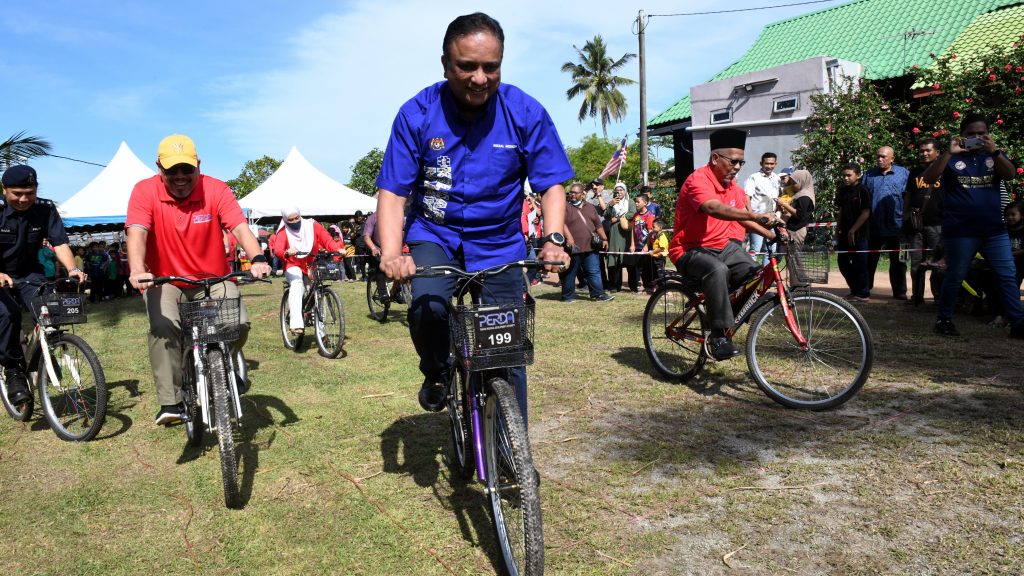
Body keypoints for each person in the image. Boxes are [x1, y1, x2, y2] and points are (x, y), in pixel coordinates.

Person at [374, 12, 572, 423]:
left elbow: (551, 184)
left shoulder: (525, 112)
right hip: (435, 234)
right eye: (467, 66)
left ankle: (510, 445)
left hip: (499, 241)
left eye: (490, 67)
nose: (480, 78)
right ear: (446, 65)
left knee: (507, 349)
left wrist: (553, 239)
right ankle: (436, 370)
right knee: (428, 308)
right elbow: (393, 192)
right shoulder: (416, 114)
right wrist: (392, 252)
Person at [126, 134, 271, 425]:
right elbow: (137, 231)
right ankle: (171, 401)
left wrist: (257, 258)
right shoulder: (144, 191)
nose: (180, 176)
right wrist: (138, 269)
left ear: (198, 165)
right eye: (172, 170)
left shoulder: (216, 189)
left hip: (213, 279)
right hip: (165, 280)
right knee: (163, 326)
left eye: (186, 169)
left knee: (238, 323)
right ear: (159, 167)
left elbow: (239, 227)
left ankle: (222, 366)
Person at [667, 128, 778, 361]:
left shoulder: (733, 187)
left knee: (755, 273)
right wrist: (756, 215)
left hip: (722, 247)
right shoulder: (698, 180)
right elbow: (713, 208)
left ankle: (726, 316)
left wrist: (772, 235)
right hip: (688, 249)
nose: (737, 167)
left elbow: (744, 219)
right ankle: (718, 336)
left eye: (741, 162)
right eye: (733, 161)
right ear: (715, 158)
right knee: (717, 270)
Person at [921, 114, 1024, 338]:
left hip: (994, 230)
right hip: (961, 230)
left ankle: (1018, 323)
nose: (977, 137)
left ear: (988, 134)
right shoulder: (951, 157)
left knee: (1007, 275)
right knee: (955, 275)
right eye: (971, 134)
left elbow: (1010, 174)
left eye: (981, 133)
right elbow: (928, 179)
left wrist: (995, 152)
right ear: (962, 135)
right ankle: (944, 320)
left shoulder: (993, 155)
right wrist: (949, 153)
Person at [0, 165, 86, 407]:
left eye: (29, 193)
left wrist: (73, 269)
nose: (23, 199)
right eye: (17, 193)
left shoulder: (45, 209)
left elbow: (59, 243)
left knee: (51, 309)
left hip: (29, 274)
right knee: (8, 314)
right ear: (5, 190)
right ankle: (12, 371)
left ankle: (44, 352)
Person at [272, 206, 343, 336]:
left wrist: (337, 249)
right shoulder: (283, 231)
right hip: (292, 264)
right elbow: (278, 249)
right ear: (285, 220)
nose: (294, 221)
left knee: (317, 293)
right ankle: (296, 324)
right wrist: (286, 252)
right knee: (297, 283)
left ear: (300, 215)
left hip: (311, 264)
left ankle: (321, 334)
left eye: (296, 218)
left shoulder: (311, 225)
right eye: (290, 220)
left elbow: (327, 239)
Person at [863, 146, 910, 300]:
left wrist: (906, 220)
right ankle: (865, 289)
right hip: (873, 226)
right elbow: (863, 198)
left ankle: (900, 291)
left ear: (892, 159)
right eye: (878, 156)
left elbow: (909, 197)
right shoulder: (869, 174)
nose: (879, 159)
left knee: (899, 261)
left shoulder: (903, 174)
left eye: (883, 156)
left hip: (897, 226)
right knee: (869, 260)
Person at [903, 138, 946, 306]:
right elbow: (908, 195)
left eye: (928, 150)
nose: (924, 153)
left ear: (938, 153)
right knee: (916, 263)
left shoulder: (945, 171)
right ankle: (917, 297)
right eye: (921, 151)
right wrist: (905, 215)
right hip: (917, 225)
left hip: (938, 225)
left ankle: (938, 297)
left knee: (937, 263)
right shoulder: (914, 172)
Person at [561, 183, 612, 302]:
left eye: (575, 193)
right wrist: (569, 238)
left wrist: (604, 238)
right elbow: (562, 224)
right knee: (570, 272)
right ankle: (568, 296)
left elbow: (598, 224)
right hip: (574, 246)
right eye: (571, 192)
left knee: (594, 271)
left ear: (582, 194)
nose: (572, 195)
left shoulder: (590, 207)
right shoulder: (565, 207)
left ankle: (598, 294)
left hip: (590, 246)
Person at [834, 162, 872, 301]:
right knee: (842, 263)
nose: (846, 178)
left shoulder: (863, 191)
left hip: (860, 234)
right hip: (845, 234)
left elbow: (866, 212)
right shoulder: (842, 190)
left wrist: (853, 230)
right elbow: (841, 212)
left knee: (860, 264)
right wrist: (837, 232)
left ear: (858, 175)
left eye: (849, 175)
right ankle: (855, 290)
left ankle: (863, 293)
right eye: (844, 175)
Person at [743, 153, 781, 263]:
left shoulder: (777, 178)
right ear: (761, 163)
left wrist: (777, 215)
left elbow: (778, 198)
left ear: (775, 164)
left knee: (771, 250)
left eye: (772, 164)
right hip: (758, 219)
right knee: (755, 249)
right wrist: (751, 217)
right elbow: (747, 198)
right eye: (766, 163)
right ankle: (751, 273)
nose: (769, 166)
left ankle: (767, 274)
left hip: (772, 219)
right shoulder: (754, 177)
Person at [603, 182, 635, 292]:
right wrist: (611, 205)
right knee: (614, 259)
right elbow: (606, 216)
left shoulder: (630, 202)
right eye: (617, 190)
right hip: (615, 232)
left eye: (621, 190)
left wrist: (618, 218)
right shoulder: (612, 202)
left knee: (629, 259)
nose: (619, 192)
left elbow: (632, 213)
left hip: (627, 232)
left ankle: (633, 286)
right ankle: (614, 285)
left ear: (625, 191)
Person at [631, 193, 657, 293]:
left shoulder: (649, 216)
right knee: (639, 266)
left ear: (645, 203)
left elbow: (650, 232)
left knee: (648, 267)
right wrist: (632, 244)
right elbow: (633, 230)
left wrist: (646, 245)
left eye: (638, 202)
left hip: (647, 246)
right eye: (635, 202)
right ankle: (644, 285)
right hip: (637, 245)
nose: (636, 204)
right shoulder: (636, 215)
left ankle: (650, 286)